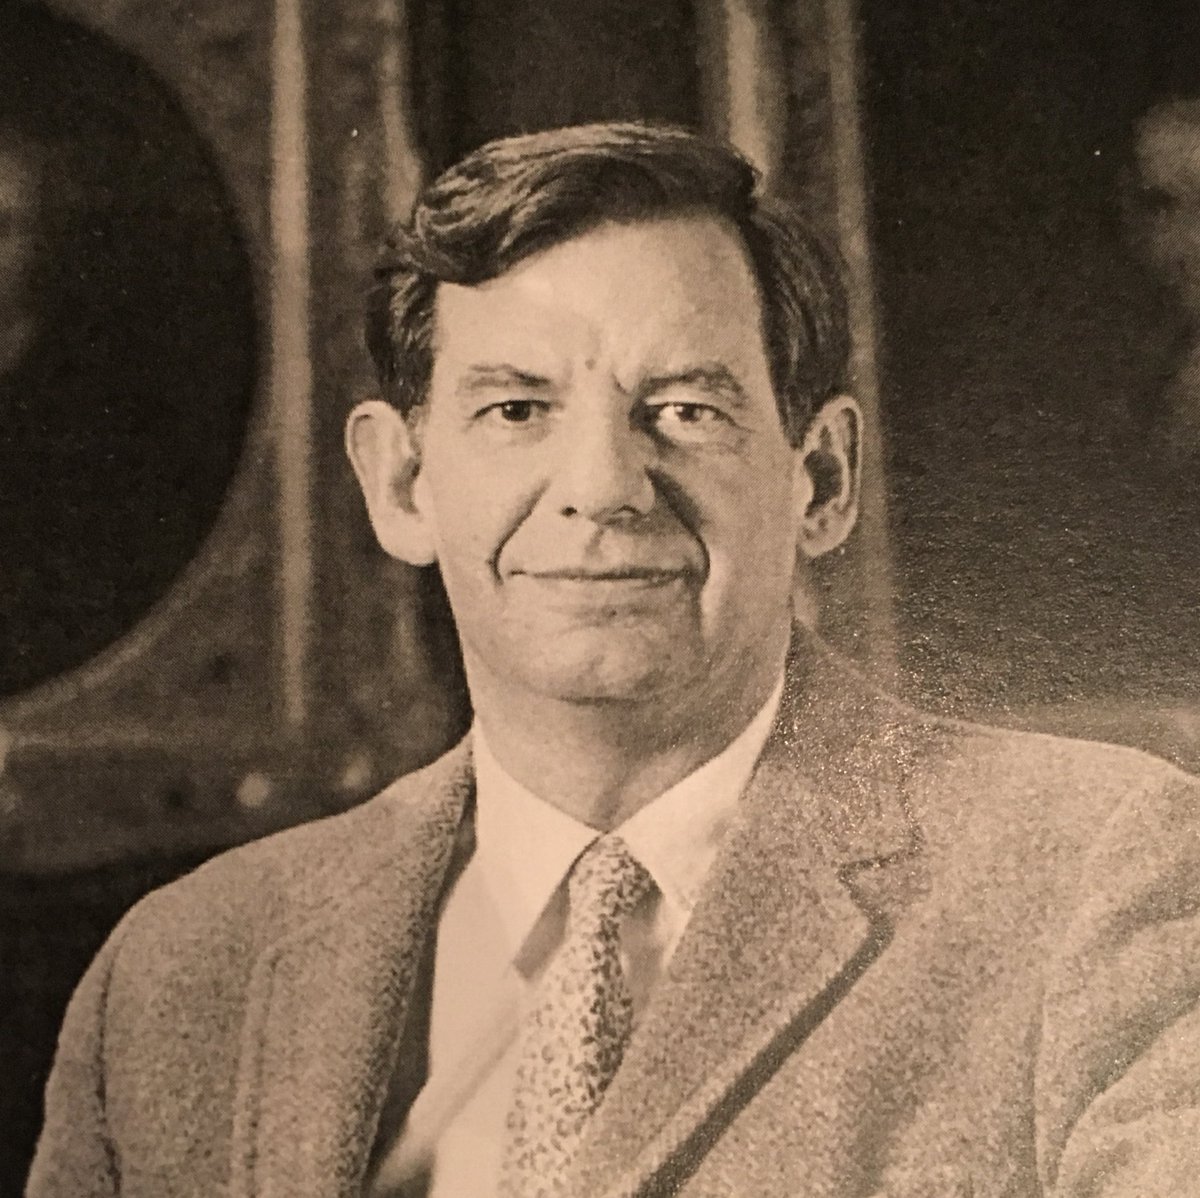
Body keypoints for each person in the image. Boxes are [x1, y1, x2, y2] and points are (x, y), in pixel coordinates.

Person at [27, 122, 1200, 1198]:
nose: (602, 488)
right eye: (517, 410)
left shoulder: (1097, 876)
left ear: (823, 479)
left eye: (686, 409)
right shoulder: (180, 976)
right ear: (401, 483)